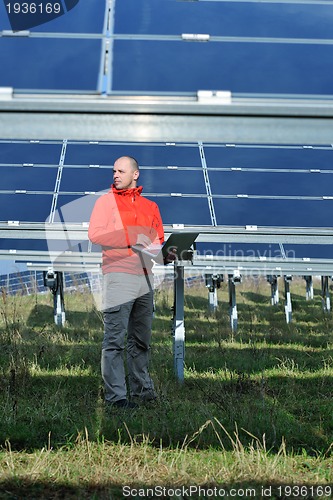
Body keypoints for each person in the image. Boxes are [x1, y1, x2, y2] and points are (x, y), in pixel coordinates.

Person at [88, 156, 165, 409]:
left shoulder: (150, 206)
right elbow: (95, 234)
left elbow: (158, 240)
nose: (115, 175)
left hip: (145, 276)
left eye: (121, 171)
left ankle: (143, 392)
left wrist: (167, 252)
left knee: (141, 339)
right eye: (113, 171)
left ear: (136, 174)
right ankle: (117, 398)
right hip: (118, 274)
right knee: (115, 340)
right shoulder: (105, 202)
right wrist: (131, 236)